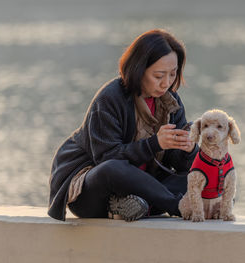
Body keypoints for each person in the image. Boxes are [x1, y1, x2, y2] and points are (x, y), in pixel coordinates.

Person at [48, 29, 199, 221]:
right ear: (139, 69)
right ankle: (177, 206)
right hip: (92, 192)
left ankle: (137, 206)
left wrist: (189, 149)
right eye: (159, 75)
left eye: (172, 74)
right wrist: (154, 144)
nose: (166, 83)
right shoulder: (110, 98)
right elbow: (107, 159)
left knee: (198, 176)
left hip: (142, 188)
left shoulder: (171, 102)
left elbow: (176, 163)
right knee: (113, 168)